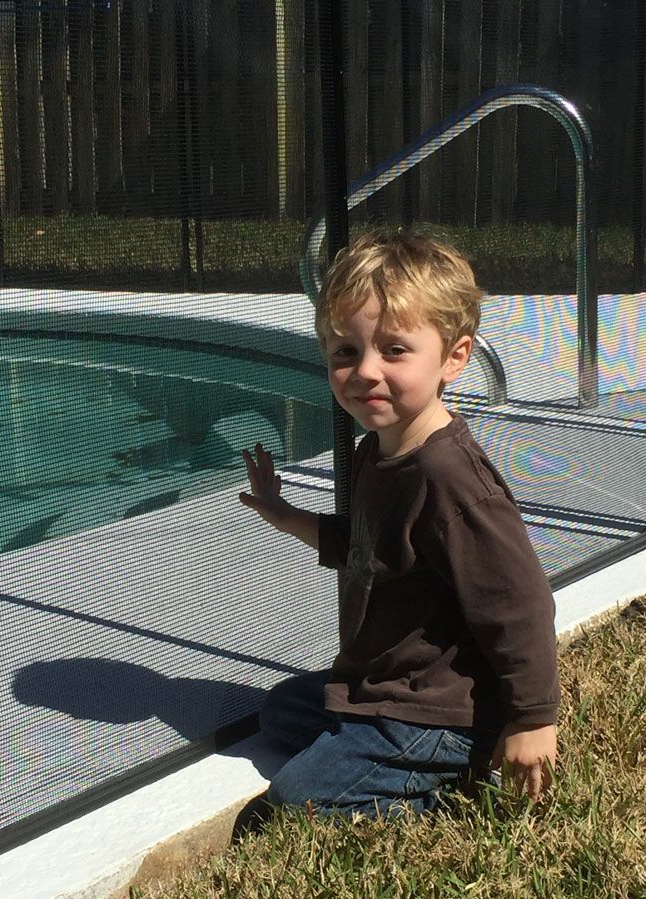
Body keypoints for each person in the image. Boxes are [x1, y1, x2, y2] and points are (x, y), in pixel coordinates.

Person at [238, 232, 559, 821]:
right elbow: (366, 548)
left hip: (440, 708)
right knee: (279, 714)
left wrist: (533, 718)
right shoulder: (377, 451)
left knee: (288, 803)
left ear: (454, 358)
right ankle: (378, 746)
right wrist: (284, 515)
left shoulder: (448, 475)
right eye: (344, 351)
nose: (364, 371)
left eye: (393, 350)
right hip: (386, 685)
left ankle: (454, 784)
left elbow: (521, 604)